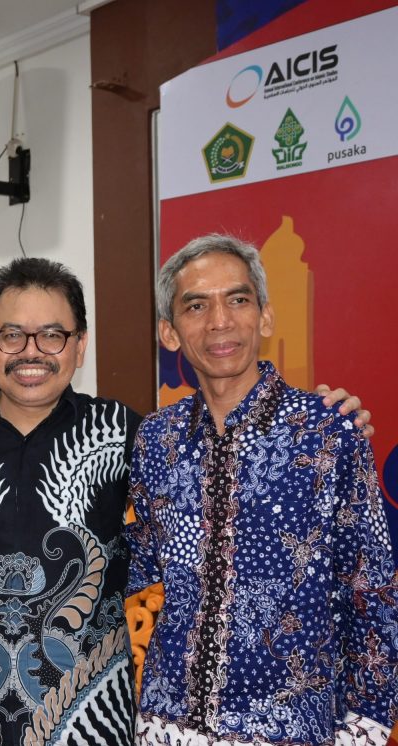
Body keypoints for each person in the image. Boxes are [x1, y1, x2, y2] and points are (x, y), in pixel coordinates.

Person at [0, 257, 374, 746]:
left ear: (81, 345)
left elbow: (201, 492)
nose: (33, 353)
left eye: (53, 335)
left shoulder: (133, 434)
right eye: (12, 335)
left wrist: (326, 421)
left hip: (92, 720)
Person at [127, 234, 398, 745]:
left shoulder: (327, 433)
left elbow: (374, 587)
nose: (219, 321)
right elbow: (139, 559)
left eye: (237, 299)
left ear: (266, 317)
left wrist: (365, 727)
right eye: (196, 305)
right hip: (167, 724)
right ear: (170, 332)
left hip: (291, 727)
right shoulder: (156, 438)